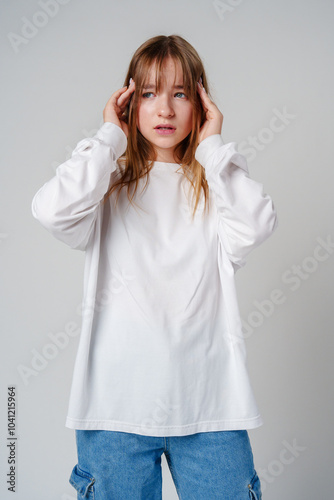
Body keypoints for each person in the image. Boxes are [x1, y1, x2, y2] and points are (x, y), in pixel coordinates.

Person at [32, 34, 277, 499]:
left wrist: (213, 147)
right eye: (148, 94)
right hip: (114, 410)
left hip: (211, 408)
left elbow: (258, 222)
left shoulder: (215, 187)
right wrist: (108, 136)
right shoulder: (106, 185)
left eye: (180, 94)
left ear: (201, 104)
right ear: (129, 105)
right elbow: (51, 210)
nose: (164, 109)